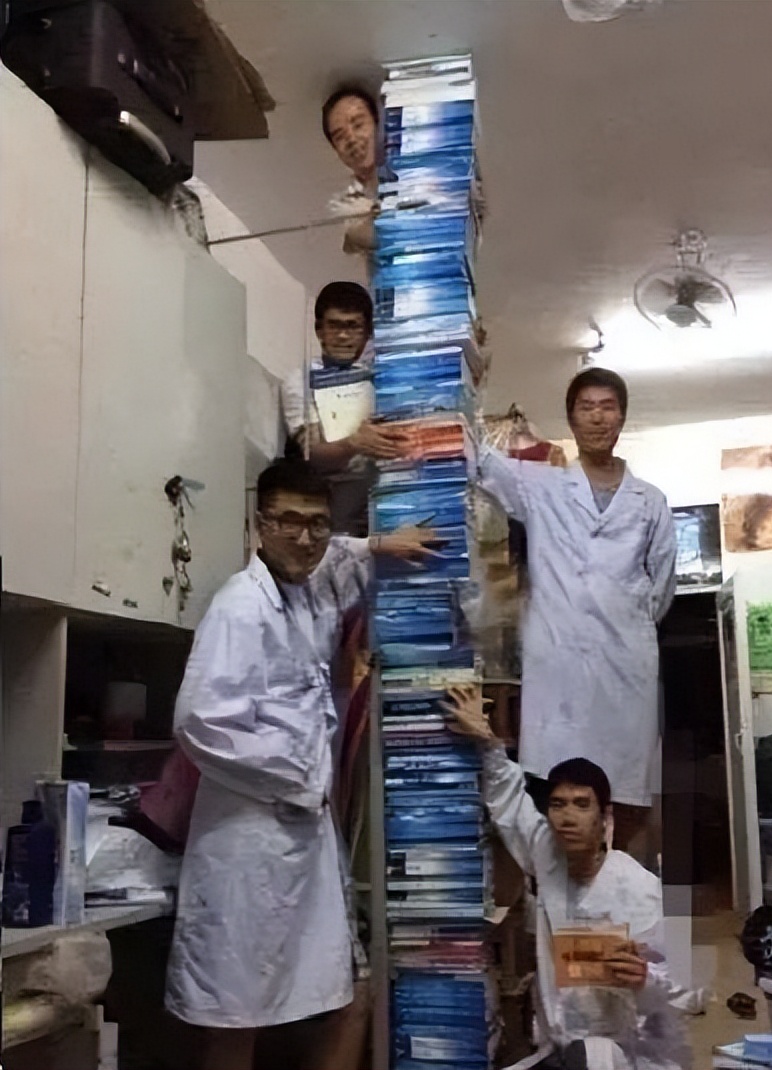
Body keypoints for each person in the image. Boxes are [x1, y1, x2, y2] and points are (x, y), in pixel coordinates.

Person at [164, 454, 437, 1070]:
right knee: (236, 1020)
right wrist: (300, 775)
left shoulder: (308, 592)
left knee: (348, 996)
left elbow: (338, 556)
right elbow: (200, 721)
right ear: (260, 525)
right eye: (289, 522)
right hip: (249, 846)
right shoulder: (242, 607)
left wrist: (382, 543)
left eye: (317, 523)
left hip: (303, 843)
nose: (307, 537)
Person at [478, 368, 677, 853]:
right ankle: (560, 893)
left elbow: (662, 588)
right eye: (586, 407)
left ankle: (621, 889)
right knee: (556, 794)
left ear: (622, 417)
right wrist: (467, 377)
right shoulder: (541, 486)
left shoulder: (650, 502)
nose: (597, 417)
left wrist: (620, 618)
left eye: (607, 407)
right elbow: (479, 460)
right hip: (558, 661)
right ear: (571, 418)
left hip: (624, 664)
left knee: (624, 798)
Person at [442, 684, 689, 1070]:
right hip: (560, 1047)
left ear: (605, 818)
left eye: (581, 805)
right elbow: (510, 799)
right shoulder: (548, 854)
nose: (567, 817)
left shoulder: (641, 890)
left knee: (595, 1056)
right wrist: (487, 740)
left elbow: (682, 989)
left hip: (629, 1053)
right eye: (558, 805)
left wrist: (644, 979)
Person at [281, 281, 406, 536]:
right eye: (334, 326)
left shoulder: (383, 380)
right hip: (333, 511)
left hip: (387, 504)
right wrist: (354, 444)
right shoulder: (301, 381)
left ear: (368, 333)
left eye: (352, 327)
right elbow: (312, 456)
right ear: (319, 330)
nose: (342, 336)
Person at [321, 85, 384, 254]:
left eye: (358, 125)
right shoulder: (347, 210)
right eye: (340, 136)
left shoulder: (413, 170)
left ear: (377, 123)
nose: (351, 139)